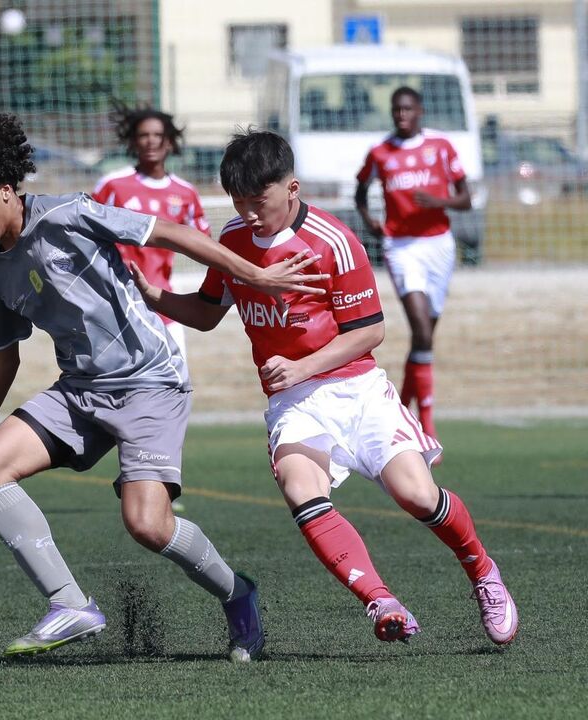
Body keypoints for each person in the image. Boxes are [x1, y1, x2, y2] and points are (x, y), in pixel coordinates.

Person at [0, 109, 328, 661]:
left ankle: (238, 593)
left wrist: (253, 274)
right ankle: (70, 604)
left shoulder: (68, 214)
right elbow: (2, 359)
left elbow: (173, 233)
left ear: (4, 189)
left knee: (147, 526)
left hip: (149, 382)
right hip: (79, 389)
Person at [132, 129, 517, 647]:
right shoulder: (232, 239)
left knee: (418, 495)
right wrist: (152, 295)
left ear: (291, 188)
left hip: (357, 390)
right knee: (301, 490)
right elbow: (205, 312)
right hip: (294, 404)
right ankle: (380, 601)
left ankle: (483, 570)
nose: (248, 213)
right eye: (238, 201)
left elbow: (370, 332)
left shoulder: (333, 240)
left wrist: (302, 365)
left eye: (258, 200)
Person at [92, 103, 209, 514]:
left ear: (170, 142)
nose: (151, 142)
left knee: (175, 393)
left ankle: (161, 480)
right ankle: (137, 475)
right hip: (120, 311)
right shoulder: (113, 186)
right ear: (133, 141)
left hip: (165, 310)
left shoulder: (185, 194)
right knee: (123, 393)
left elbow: (206, 245)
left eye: (158, 136)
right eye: (143, 135)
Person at [354, 86, 472, 446]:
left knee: (424, 338)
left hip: (439, 245)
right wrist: (369, 221)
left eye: (407, 109)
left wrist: (439, 201)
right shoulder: (380, 152)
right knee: (420, 329)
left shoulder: (441, 146)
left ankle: (401, 411)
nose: (401, 115)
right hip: (401, 246)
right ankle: (427, 427)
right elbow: (360, 191)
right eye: (396, 110)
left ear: (420, 110)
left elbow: (466, 199)